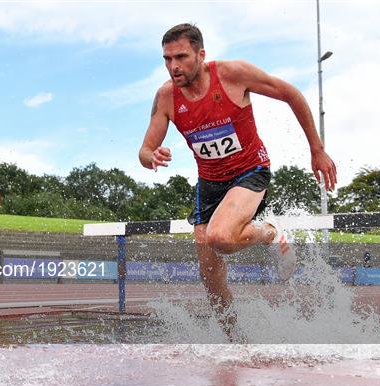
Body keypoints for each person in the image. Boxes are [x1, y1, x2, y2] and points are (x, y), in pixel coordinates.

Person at [138, 23, 337, 342]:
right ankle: (237, 342)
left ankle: (270, 232)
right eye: (167, 59)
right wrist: (151, 156)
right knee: (212, 280)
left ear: (201, 55)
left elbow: (290, 93)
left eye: (181, 57)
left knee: (220, 236)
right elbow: (145, 149)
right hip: (210, 184)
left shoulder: (232, 75)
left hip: (249, 172)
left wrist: (317, 149)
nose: (173, 66)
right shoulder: (166, 97)